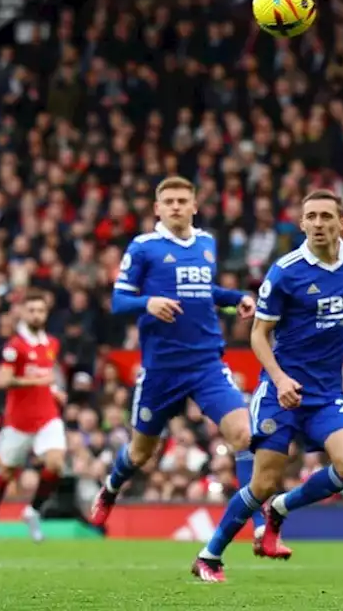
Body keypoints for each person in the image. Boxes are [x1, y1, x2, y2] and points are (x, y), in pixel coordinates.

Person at [192, 189, 343, 583]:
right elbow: (259, 335)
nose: (319, 223)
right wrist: (279, 379)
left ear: (342, 222)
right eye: (312, 216)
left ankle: (281, 509)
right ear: (302, 223)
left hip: (326, 393)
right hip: (281, 392)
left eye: (328, 216)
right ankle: (210, 555)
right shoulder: (286, 271)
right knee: (262, 483)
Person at [92, 177, 262, 544]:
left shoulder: (206, 243)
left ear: (194, 206)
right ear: (157, 208)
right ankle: (110, 488)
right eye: (168, 201)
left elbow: (203, 291)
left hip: (206, 364)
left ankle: (257, 522)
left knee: (244, 435)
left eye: (182, 200)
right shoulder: (143, 247)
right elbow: (119, 302)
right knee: (140, 453)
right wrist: (147, 303)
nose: (175, 206)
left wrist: (235, 298)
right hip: (161, 369)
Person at [0, 290, 66, 547]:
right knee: (6, 473)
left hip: (47, 415)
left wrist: (53, 391)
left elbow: (47, 375)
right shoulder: (14, 347)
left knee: (56, 463)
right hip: (18, 422)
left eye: (41, 310)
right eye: (32, 310)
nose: (36, 315)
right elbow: (4, 380)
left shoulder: (52, 343)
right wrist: (38, 382)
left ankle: (32, 512)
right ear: (23, 313)